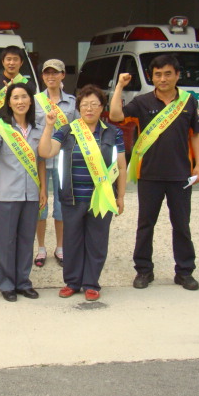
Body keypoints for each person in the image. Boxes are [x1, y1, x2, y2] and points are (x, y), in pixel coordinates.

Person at [109, 54, 199, 291]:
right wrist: (120, 86)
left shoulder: (189, 102)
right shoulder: (142, 102)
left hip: (180, 175)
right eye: (158, 74)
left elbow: (195, 134)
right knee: (145, 225)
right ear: (151, 77)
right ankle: (144, 270)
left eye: (168, 74)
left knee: (181, 225)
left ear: (177, 75)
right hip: (149, 174)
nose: (163, 79)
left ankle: (184, 271)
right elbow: (115, 116)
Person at [39, 84, 127, 301]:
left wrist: (120, 196)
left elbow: (121, 166)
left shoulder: (113, 132)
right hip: (72, 197)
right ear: (78, 108)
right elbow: (46, 151)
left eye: (94, 104)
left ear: (102, 107)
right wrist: (49, 126)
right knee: (72, 241)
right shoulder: (67, 131)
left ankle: (91, 283)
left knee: (97, 241)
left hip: (102, 198)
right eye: (85, 104)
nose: (89, 109)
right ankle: (72, 282)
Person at [0, 83, 46, 302]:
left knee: (26, 240)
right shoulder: (2, 126)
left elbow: (41, 161)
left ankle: (23, 282)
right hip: (6, 194)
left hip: (31, 193)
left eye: (24, 97)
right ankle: (7, 284)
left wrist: (43, 188)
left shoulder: (37, 128)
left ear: (31, 100)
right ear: (8, 102)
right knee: (5, 242)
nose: (20, 101)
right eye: (15, 97)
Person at [33, 59, 78, 267]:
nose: (51, 76)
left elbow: (78, 129)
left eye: (55, 73)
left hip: (63, 160)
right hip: (40, 160)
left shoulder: (72, 102)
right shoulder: (35, 101)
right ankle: (41, 248)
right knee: (40, 206)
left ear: (62, 75)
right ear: (43, 76)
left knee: (61, 206)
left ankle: (60, 247)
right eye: (47, 73)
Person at [0, 46, 37, 114]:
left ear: (21, 62)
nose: (11, 63)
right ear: (3, 62)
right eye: (8, 59)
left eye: (15, 59)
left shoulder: (28, 84)